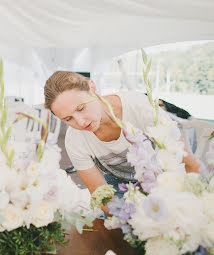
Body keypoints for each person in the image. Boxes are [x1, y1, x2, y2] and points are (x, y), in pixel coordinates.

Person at [44, 71, 200, 209]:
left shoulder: (140, 107)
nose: (80, 122)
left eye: (81, 108)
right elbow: (103, 197)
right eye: (68, 119)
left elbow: (190, 165)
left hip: (164, 179)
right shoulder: (74, 140)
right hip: (118, 186)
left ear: (92, 88)